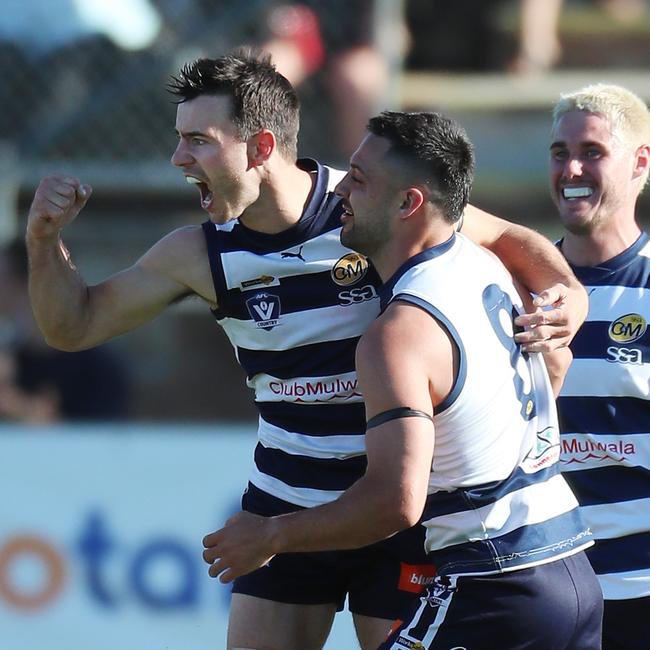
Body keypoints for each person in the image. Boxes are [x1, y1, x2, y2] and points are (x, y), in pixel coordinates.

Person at [26, 49, 587, 649]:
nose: (178, 159)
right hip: (285, 503)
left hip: (389, 508)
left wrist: (569, 295)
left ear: (262, 148)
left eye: (199, 141)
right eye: (178, 139)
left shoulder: (370, 203)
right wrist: (43, 239)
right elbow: (73, 326)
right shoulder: (198, 252)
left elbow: (502, 235)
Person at [203, 110, 603, 649]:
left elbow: (395, 502)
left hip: (494, 582)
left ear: (408, 203)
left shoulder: (398, 333)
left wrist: (271, 534)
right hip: (570, 567)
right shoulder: (486, 266)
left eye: (360, 179)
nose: (339, 188)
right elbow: (556, 364)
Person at [549, 83, 650, 650]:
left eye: (592, 151)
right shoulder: (511, 286)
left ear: (640, 162)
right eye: (560, 153)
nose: (572, 169)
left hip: (640, 589)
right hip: (539, 588)